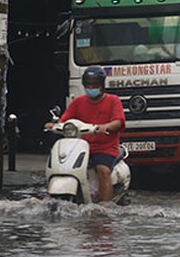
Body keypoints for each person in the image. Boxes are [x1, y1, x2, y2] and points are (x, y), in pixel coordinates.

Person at [44, 66, 125, 202]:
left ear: (102, 85)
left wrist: (105, 126)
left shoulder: (113, 101)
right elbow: (64, 121)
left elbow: (119, 122)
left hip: (104, 147)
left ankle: (105, 206)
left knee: (103, 170)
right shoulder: (78, 102)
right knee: (61, 166)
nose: (91, 87)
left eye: (94, 85)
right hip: (79, 146)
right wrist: (54, 125)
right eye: (88, 85)